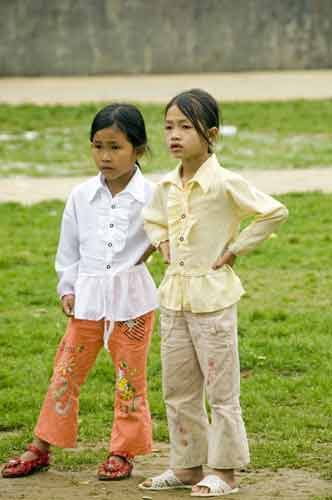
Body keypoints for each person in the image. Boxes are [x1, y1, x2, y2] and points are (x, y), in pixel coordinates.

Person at [140, 89, 288, 497]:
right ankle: (186, 466)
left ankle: (224, 471)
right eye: (169, 127)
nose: (174, 135)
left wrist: (236, 248)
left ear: (212, 133)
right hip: (173, 298)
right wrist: (161, 241)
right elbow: (151, 219)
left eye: (185, 127)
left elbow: (274, 211)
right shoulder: (167, 184)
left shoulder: (225, 182)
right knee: (177, 388)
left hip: (213, 301)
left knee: (222, 391)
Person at [2, 103, 158, 481]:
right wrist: (67, 288)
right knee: (65, 372)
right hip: (87, 300)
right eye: (98, 146)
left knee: (128, 377)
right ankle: (42, 446)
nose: (104, 156)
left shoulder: (155, 195)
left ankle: (123, 450)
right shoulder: (80, 195)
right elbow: (68, 250)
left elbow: (166, 237)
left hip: (132, 304)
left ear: (138, 150)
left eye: (115, 147)